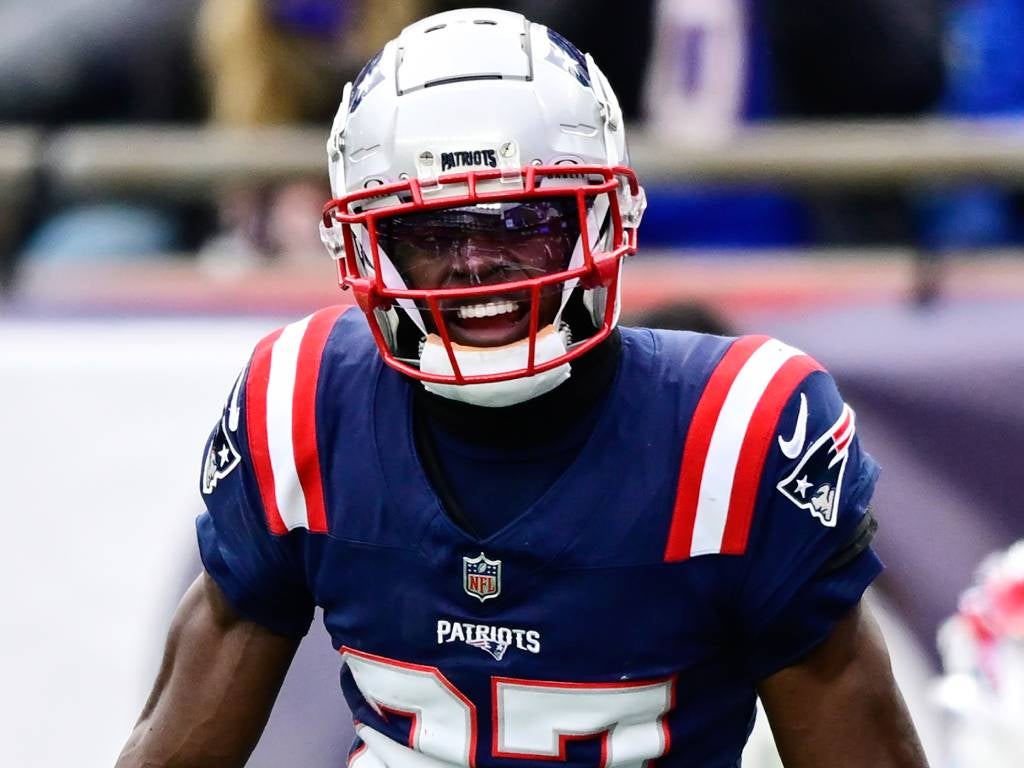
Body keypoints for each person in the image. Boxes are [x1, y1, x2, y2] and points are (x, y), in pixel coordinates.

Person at [116, 9, 929, 767]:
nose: (475, 263)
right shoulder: (304, 401)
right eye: (430, 229)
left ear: (604, 218)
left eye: (522, 223)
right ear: (365, 246)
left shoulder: (734, 434)